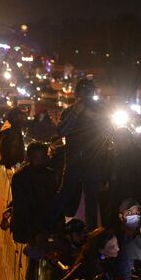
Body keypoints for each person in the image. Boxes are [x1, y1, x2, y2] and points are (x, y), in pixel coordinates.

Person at [48, 77, 107, 230]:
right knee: (64, 194)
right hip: (74, 161)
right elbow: (61, 131)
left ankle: (91, 232)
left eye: (90, 92)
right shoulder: (71, 111)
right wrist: (76, 113)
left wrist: (90, 115)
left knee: (91, 200)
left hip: (93, 161)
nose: (87, 95)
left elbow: (108, 131)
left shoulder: (100, 111)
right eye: (85, 91)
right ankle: (49, 225)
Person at [10, 141, 57, 244]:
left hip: (46, 229)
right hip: (27, 231)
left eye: (42, 158)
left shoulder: (51, 175)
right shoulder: (20, 177)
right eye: (36, 158)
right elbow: (22, 207)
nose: (40, 162)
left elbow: (53, 200)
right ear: (29, 158)